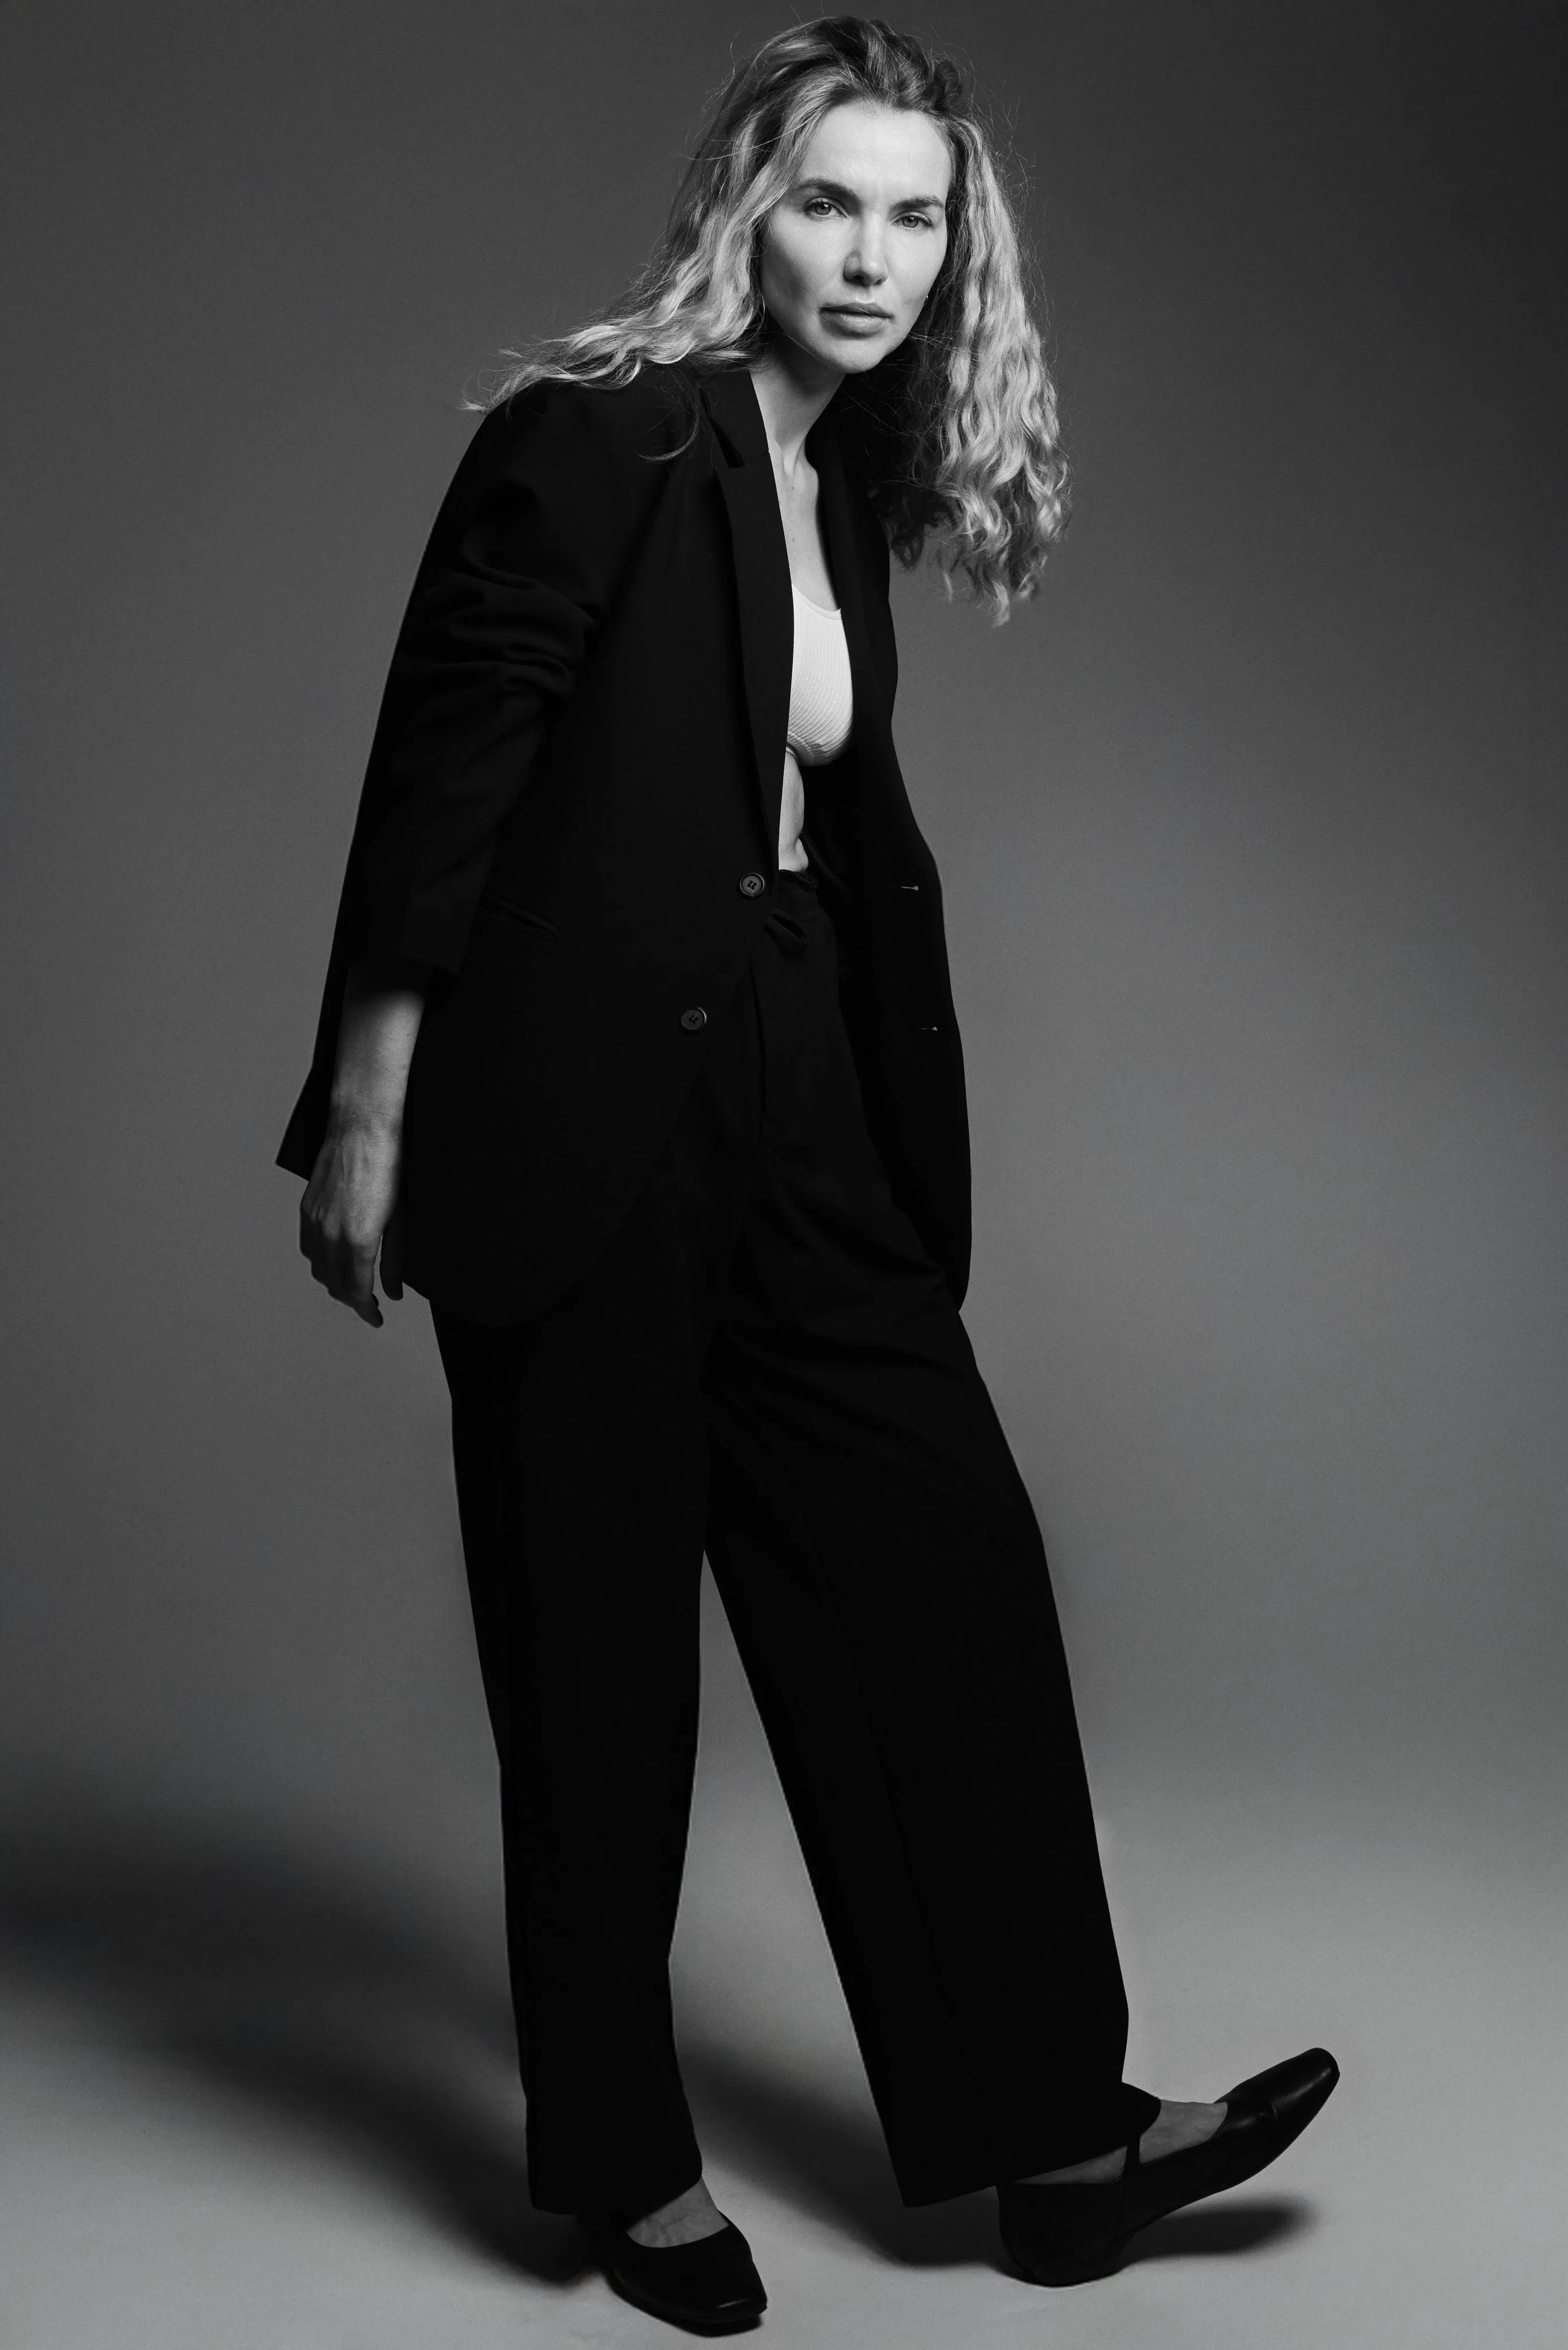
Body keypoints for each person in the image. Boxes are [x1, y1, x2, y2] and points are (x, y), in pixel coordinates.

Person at [281, 17, 1337, 2336]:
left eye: (915, 215)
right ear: (742, 213)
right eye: (828, 204)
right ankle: (619, 2165)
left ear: (961, 247)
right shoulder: (598, 436)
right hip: (572, 1100)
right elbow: (444, 775)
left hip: (791, 1075)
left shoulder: (832, 473)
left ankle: (1051, 2136)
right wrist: (365, 1110)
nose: (871, 257)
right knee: (595, 1662)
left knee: (938, 1570)